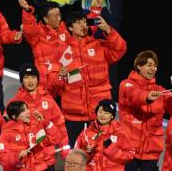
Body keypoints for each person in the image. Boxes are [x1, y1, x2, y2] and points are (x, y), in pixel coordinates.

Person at [47, 0, 122, 99]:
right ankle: (78, 98)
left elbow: (116, 11)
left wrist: (111, 31)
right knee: (80, 65)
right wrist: (51, 1)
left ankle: (107, 104)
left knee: (104, 69)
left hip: (101, 30)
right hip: (84, 29)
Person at [49, 9, 127, 146]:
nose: (83, 25)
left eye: (85, 22)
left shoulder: (99, 45)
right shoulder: (60, 51)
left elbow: (120, 49)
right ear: (70, 27)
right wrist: (59, 76)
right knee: (75, 153)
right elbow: (51, 81)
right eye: (78, 23)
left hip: (99, 114)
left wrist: (109, 31)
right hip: (73, 115)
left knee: (101, 154)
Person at [19, 0, 70, 87]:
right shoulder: (37, 33)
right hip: (47, 84)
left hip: (66, 79)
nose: (59, 18)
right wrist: (27, 11)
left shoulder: (64, 28)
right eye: (55, 16)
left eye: (59, 15)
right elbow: (29, 29)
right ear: (46, 19)